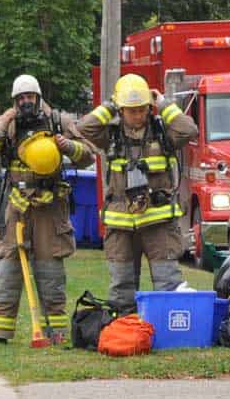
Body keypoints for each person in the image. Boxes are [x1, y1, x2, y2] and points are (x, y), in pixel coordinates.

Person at [0, 74, 94, 353]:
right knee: (8, 268)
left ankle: (56, 331)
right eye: (20, 98)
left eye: (30, 97)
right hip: (17, 207)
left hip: (50, 208)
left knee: (50, 270)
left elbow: (88, 155)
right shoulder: (5, 124)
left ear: (38, 98)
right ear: (14, 101)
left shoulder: (58, 121)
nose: (26, 102)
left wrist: (68, 146)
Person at [77, 74, 197, 310]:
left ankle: (164, 325)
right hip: (121, 227)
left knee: (168, 285)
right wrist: (110, 105)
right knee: (122, 289)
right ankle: (126, 328)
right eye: (132, 111)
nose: (138, 115)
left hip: (159, 224)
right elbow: (84, 127)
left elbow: (189, 130)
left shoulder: (162, 132)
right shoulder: (111, 135)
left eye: (142, 109)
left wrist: (163, 104)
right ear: (121, 110)